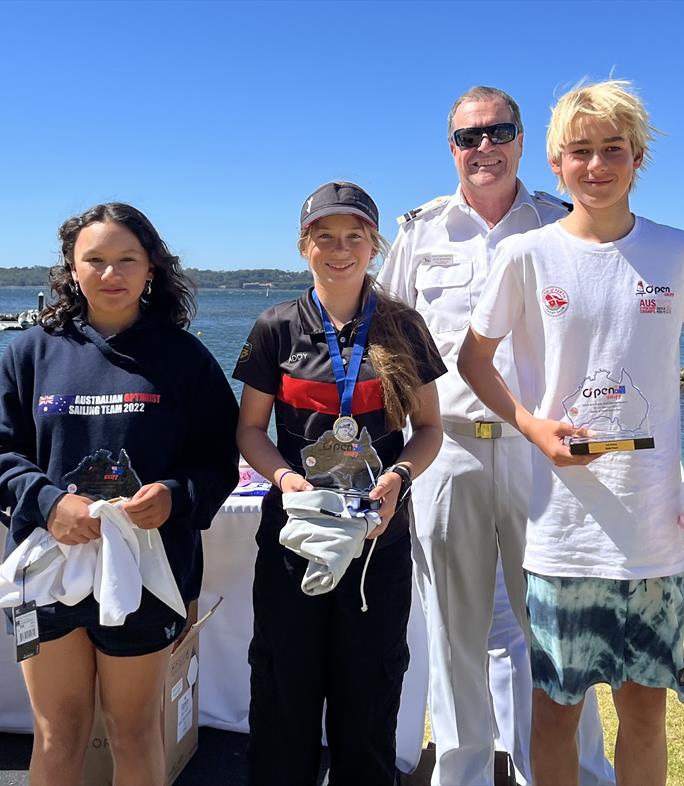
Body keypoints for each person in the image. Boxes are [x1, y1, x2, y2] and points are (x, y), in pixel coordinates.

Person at [459, 80, 684, 786]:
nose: (596, 165)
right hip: (561, 531)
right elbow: (472, 358)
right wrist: (530, 426)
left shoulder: (681, 252)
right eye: (580, 151)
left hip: (651, 532)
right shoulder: (525, 256)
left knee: (645, 712)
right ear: (556, 163)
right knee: (556, 712)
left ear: (637, 157)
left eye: (612, 149)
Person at [379, 85, 613, 786]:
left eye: (497, 132)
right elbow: (390, 343)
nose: (483, 148)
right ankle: (465, 776)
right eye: (467, 137)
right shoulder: (420, 231)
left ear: (520, 141)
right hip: (447, 448)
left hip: (539, 453)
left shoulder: (561, 223)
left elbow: (602, 331)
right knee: (455, 637)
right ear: (450, 147)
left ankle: (574, 774)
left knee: (555, 628)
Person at [0, 203, 239, 786]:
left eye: (127, 259)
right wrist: (48, 504)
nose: (110, 273)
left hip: (147, 574)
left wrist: (175, 496)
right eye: (94, 260)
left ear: (151, 267)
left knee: (133, 732)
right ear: (71, 270)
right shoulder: (30, 352)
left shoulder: (184, 358)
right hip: (45, 573)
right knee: (57, 734)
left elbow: (217, 461)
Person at [233, 181, 445, 786]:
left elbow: (430, 428)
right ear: (305, 247)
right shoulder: (275, 326)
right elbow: (249, 429)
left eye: (354, 236)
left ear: (374, 245)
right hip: (293, 540)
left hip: (377, 539)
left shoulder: (405, 327)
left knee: (369, 696)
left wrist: (400, 476)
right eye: (325, 237)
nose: (340, 248)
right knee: (283, 693)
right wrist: (284, 477)